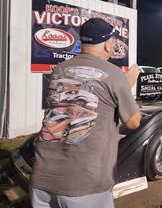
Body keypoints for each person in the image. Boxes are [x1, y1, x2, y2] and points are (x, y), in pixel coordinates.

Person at [30, 18, 142, 208]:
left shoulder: (59, 70)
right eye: (113, 41)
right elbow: (133, 122)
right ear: (108, 44)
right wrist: (126, 85)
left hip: (42, 178)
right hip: (84, 184)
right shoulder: (114, 74)